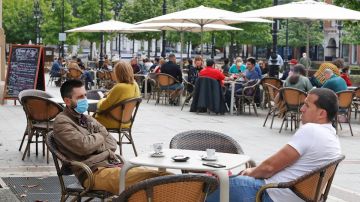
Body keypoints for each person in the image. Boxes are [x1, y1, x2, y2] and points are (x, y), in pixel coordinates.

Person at [207, 88, 341, 202]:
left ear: (321, 113)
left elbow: (269, 167)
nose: (302, 109)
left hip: (271, 193)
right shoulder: (332, 136)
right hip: (296, 195)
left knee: (205, 188)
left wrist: (251, 172)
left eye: (307, 105)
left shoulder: (311, 130)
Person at [53, 80, 170, 195]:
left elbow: (112, 144)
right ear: (68, 101)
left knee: (165, 176)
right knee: (156, 180)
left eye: (85, 95)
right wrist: (100, 136)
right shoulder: (62, 122)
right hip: (93, 173)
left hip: (113, 165)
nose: (84, 99)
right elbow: (84, 147)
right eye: (80, 97)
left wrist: (95, 142)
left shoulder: (87, 118)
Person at [95, 61, 141, 129]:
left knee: (88, 120)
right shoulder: (135, 85)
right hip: (126, 122)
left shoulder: (119, 87)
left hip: (110, 121)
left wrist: (101, 100)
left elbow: (102, 107)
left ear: (118, 73)